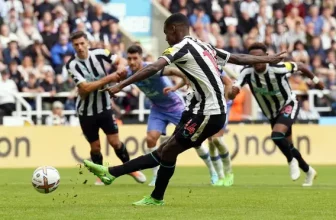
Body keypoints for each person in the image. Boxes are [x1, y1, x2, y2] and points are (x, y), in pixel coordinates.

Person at [83, 13, 286, 206]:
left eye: (166, 33)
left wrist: (121, 85)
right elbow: (238, 58)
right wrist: (268, 59)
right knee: (166, 151)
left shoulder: (181, 47)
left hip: (210, 112)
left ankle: (114, 174)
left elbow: (153, 68)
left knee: (168, 150)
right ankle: (147, 193)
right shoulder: (204, 46)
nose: (166, 38)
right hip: (196, 110)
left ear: (173, 29)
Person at [122, 45, 219, 186]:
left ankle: (213, 172)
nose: (131, 62)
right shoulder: (129, 72)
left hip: (176, 106)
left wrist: (184, 78)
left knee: (195, 141)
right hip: (157, 108)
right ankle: (155, 176)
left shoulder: (152, 68)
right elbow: (116, 73)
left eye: (135, 58)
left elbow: (173, 69)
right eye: (129, 59)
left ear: (141, 58)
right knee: (150, 139)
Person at [230, 42, 324, 187]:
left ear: (267, 57)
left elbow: (301, 66)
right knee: (289, 145)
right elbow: (235, 88)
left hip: (288, 105)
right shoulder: (246, 72)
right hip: (272, 113)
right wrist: (232, 92)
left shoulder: (278, 68)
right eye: (253, 58)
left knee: (276, 135)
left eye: (260, 57)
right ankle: (309, 171)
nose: (258, 62)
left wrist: (316, 81)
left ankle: (290, 161)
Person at [65, 31, 146, 185]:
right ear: (73, 46)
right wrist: (111, 78)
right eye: (76, 45)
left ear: (87, 43)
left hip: (105, 108)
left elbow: (120, 60)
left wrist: (121, 68)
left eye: (82, 43)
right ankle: (101, 174)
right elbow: (86, 88)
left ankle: (130, 168)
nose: (80, 47)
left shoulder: (100, 53)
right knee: (95, 147)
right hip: (86, 112)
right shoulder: (72, 65)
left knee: (115, 142)